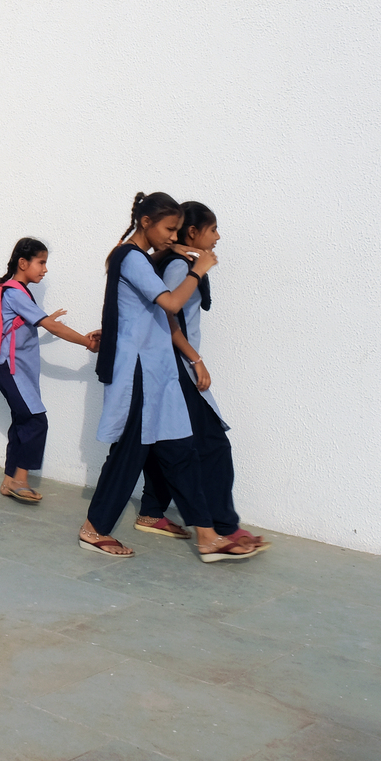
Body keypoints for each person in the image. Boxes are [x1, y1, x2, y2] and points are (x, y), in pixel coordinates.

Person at [80, 192, 258, 562]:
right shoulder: (129, 257)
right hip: (140, 371)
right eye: (168, 228)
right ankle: (94, 528)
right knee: (129, 453)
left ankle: (207, 536)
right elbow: (171, 305)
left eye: (177, 229)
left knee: (180, 451)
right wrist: (198, 268)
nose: (172, 236)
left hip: (160, 369)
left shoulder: (139, 259)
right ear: (146, 223)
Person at [135, 203, 268, 551]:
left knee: (172, 443)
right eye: (213, 229)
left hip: (170, 364)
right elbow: (167, 316)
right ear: (193, 233)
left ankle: (151, 510)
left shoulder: (178, 261)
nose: (219, 236)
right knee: (211, 445)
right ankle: (223, 525)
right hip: (176, 365)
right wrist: (195, 360)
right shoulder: (180, 266)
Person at [0, 237, 100, 503]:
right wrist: (87, 342)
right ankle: (21, 480)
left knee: (22, 421)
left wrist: (45, 321)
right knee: (36, 421)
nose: (45, 269)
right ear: (23, 263)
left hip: (12, 369)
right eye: (41, 262)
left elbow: (18, 327)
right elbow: (53, 327)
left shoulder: (15, 291)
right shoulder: (15, 292)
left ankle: (9, 481)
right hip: (10, 368)